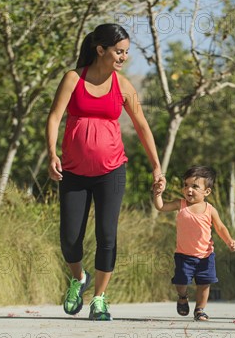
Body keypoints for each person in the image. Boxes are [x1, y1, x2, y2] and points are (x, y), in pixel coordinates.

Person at [46, 23, 166, 321]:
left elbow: (141, 125)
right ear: (101, 50)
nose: (123, 57)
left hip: (111, 172)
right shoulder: (73, 79)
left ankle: (99, 299)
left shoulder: (123, 86)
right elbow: (54, 117)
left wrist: (156, 166)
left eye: (126, 52)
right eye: (118, 51)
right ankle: (78, 279)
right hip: (73, 171)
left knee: (107, 236)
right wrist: (51, 154)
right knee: (69, 238)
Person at [153, 166, 235, 321]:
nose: (188, 190)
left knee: (205, 283)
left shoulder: (210, 209)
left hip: (205, 255)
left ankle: (200, 310)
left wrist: (229, 240)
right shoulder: (181, 204)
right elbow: (161, 206)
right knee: (181, 281)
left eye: (194, 187)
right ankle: (182, 297)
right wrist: (158, 194)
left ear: (207, 192)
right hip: (184, 255)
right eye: (186, 185)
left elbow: (220, 227)